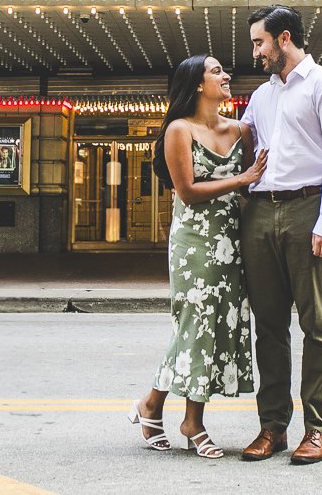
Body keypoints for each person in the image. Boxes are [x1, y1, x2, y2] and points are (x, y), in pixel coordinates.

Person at [129, 53, 266, 459]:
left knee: (215, 324)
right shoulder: (178, 129)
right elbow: (186, 190)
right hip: (194, 242)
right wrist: (241, 178)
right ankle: (192, 422)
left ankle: (152, 405)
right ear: (196, 85)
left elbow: (250, 190)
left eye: (223, 70)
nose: (225, 75)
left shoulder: (242, 130)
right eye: (216, 71)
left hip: (232, 240)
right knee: (196, 324)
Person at [238, 5, 322, 466]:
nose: (255, 53)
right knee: (266, 326)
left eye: (259, 43)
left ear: (284, 39)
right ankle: (272, 427)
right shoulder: (261, 96)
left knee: (317, 326)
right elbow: (239, 137)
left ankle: (318, 430)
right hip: (262, 213)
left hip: (309, 206)